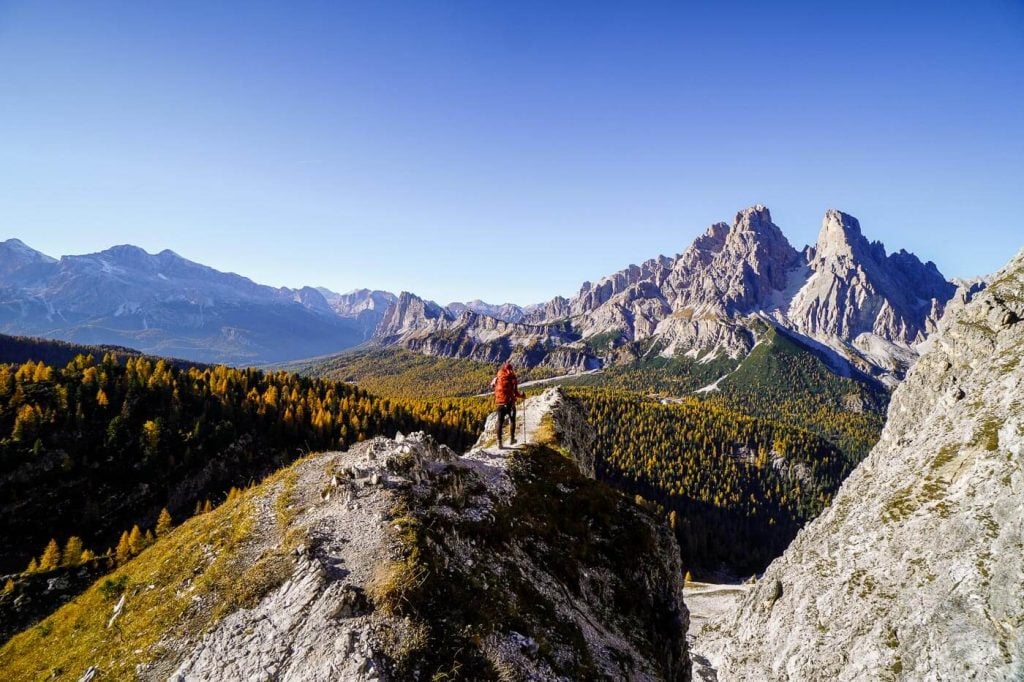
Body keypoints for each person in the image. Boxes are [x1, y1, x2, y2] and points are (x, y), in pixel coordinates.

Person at [490, 361, 525, 448]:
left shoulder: (497, 377)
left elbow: (492, 385)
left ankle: (499, 442)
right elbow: (516, 392)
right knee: (512, 420)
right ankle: (512, 439)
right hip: (510, 403)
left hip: (499, 403)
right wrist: (522, 395)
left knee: (500, 421)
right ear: (511, 369)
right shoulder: (513, 378)